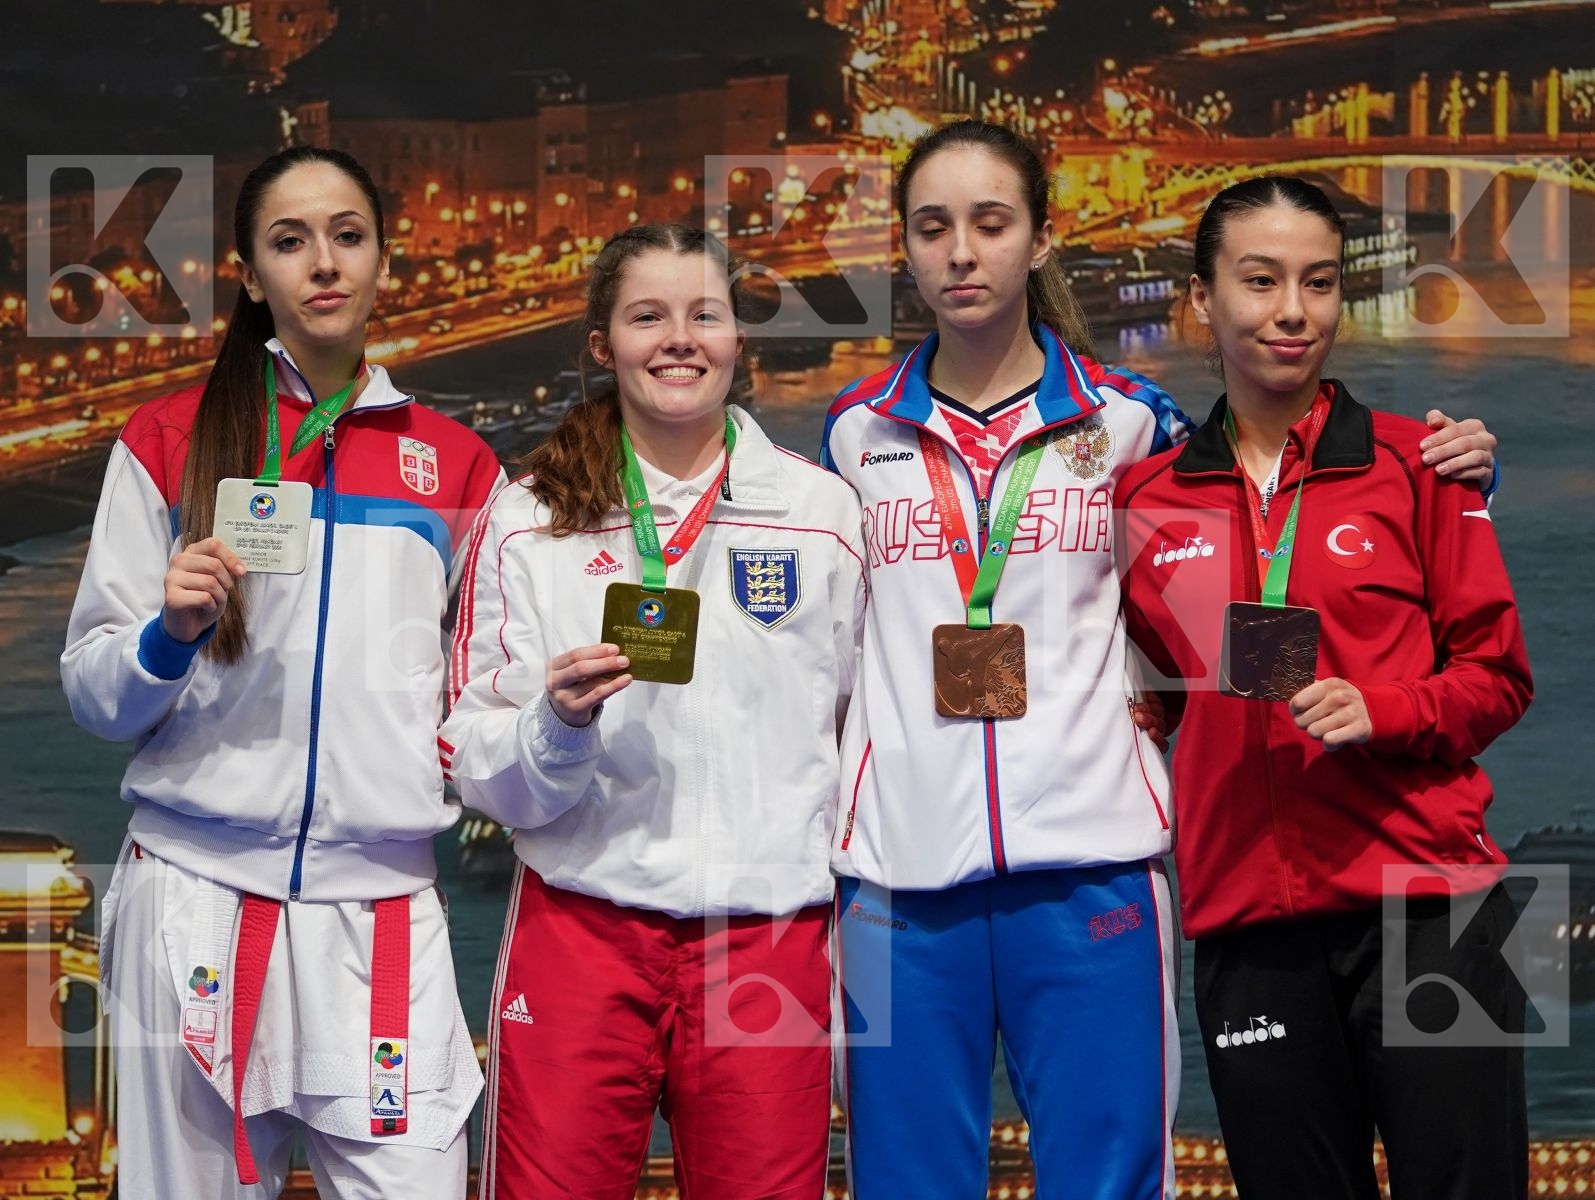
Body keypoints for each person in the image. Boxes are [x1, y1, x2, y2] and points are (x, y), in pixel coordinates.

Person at [820, 120, 1500, 1199]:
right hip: (898, 881)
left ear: (1039, 240)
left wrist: (1456, 478)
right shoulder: (848, 437)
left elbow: (1265, 503)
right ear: (899, 247)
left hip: (1094, 866)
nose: (961, 252)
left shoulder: (1135, 429)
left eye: (990, 224)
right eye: (932, 227)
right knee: (902, 1181)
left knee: (1110, 1179)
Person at [61, 146, 503, 1199]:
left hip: (382, 907)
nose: (324, 264)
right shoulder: (167, 439)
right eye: (289, 241)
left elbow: (482, 691)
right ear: (251, 275)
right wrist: (164, 635)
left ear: (384, 261)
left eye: (348, 236)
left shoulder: (456, 464)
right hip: (194, 898)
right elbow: (91, 692)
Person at [1116, 175, 1532, 1199]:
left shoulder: (1421, 465)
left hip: (1431, 909)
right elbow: (1151, 698)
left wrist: (1380, 708)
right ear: (1202, 298)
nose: (1291, 311)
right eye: (1258, 281)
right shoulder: (1143, 501)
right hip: (1246, 926)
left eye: (1316, 282)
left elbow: (1498, 679)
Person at [442, 223, 866, 1200]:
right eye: (647, 317)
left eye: (703, 315)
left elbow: (863, 726)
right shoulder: (528, 515)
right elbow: (470, 759)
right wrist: (556, 725)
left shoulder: (820, 513)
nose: (678, 339)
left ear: (736, 340)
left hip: (767, 934)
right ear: (603, 345)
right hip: (581, 930)